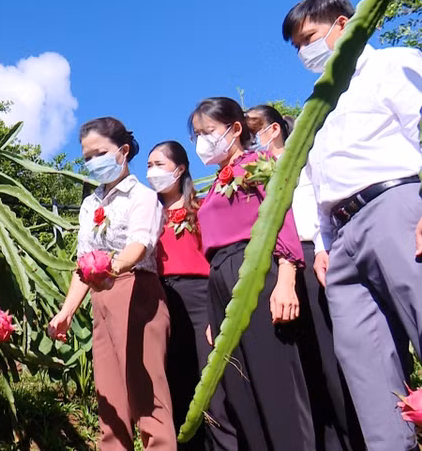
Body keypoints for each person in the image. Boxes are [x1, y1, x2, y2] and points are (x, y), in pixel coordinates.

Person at [282, 0, 422, 450]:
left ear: (343, 24)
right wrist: (323, 246)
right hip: (341, 240)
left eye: (309, 38)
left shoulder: (392, 64)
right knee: (364, 364)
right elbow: (314, 182)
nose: (305, 52)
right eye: (297, 46)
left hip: (396, 206)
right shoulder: (318, 107)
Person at [190, 97, 313, 449]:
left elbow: (281, 217)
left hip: (255, 267)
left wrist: (287, 277)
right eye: (197, 134)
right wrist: (218, 314)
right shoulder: (215, 183)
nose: (202, 141)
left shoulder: (257, 163)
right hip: (220, 281)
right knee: (241, 391)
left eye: (208, 131)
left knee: (277, 383)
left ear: (236, 128)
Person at [49, 117, 175, 450]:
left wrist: (111, 267)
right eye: (87, 157)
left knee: (149, 400)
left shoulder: (143, 196)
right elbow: (83, 264)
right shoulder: (91, 204)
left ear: (122, 151)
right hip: (101, 301)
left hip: (138, 294)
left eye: (99, 153)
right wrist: (66, 312)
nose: (92, 162)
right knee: (110, 401)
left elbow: (140, 244)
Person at [245, 104, 364, 450]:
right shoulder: (253, 175)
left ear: (274, 130)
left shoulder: (304, 160)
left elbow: (317, 208)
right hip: (273, 270)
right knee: (302, 365)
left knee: (329, 358)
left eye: (255, 135)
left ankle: (354, 438)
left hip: (312, 257)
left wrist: (325, 247)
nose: (254, 144)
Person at [148, 141, 237, 451]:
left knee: (210, 381)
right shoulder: (147, 216)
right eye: (149, 166)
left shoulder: (199, 208)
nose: (152, 172)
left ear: (180, 168)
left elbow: (214, 257)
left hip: (200, 296)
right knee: (174, 380)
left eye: (159, 164)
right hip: (161, 298)